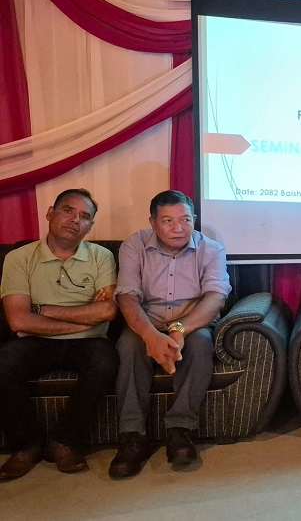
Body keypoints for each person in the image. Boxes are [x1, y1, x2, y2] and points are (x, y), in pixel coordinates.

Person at [108, 190, 231, 478]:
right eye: (167, 221)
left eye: (185, 220)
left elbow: (216, 297)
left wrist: (179, 329)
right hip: (146, 322)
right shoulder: (134, 245)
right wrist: (151, 336)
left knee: (200, 345)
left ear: (194, 219)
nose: (178, 228)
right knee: (129, 347)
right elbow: (127, 296)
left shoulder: (211, 249)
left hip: (192, 322)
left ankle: (180, 429)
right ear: (152, 222)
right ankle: (132, 436)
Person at [0, 189, 119, 480]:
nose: (75, 220)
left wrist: (41, 310)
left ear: (90, 226)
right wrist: (84, 319)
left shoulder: (102, 256)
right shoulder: (18, 258)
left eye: (84, 216)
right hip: (34, 341)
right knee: (3, 362)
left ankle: (64, 440)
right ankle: (26, 445)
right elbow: (18, 319)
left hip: (89, 343)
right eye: (68, 210)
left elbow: (106, 311)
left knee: (106, 362)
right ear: (50, 213)